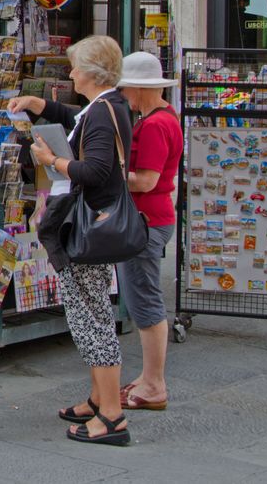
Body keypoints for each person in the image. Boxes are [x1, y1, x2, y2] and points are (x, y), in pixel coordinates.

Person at [8, 35, 133, 447]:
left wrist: (53, 162)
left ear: (93, 73)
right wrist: (36, 104)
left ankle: (112, 416)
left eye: (76, 67)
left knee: (91, 319)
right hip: (94, 225)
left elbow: (95, 171)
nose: (71, 73)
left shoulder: (102, 113)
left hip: (87, 231)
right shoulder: (107, 106)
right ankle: (100, 399)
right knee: (92, 312)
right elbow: (74, 117)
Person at [115, 51, 183, 411]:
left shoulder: (155, 124)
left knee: (145, 301)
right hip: (153, 219)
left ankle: (155, 383)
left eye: (126, 88)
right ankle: (149, 378)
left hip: (147, 221)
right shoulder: (165, 116)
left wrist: (109, 174)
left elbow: (146, 181)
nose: (124, 95)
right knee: (143, 298)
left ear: (140, 89)